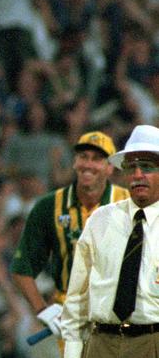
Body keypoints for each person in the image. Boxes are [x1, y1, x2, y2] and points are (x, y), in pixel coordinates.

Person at [10, 131, 129, 343]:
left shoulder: (128, 203)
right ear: (74, 162)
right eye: (83, 157)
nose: (88, 165)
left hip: (122, 313)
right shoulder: (49, 207)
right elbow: (22, 268)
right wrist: (43, 310)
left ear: (110, 168)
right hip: (71, 316)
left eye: (97, 159)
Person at [61, 124, 159, 358]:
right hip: (100, 343)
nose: (137, 175)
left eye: (146, 166)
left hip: (152, 343)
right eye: (130, 167)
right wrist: (72, 353)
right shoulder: (101, 220)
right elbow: (77, 297)